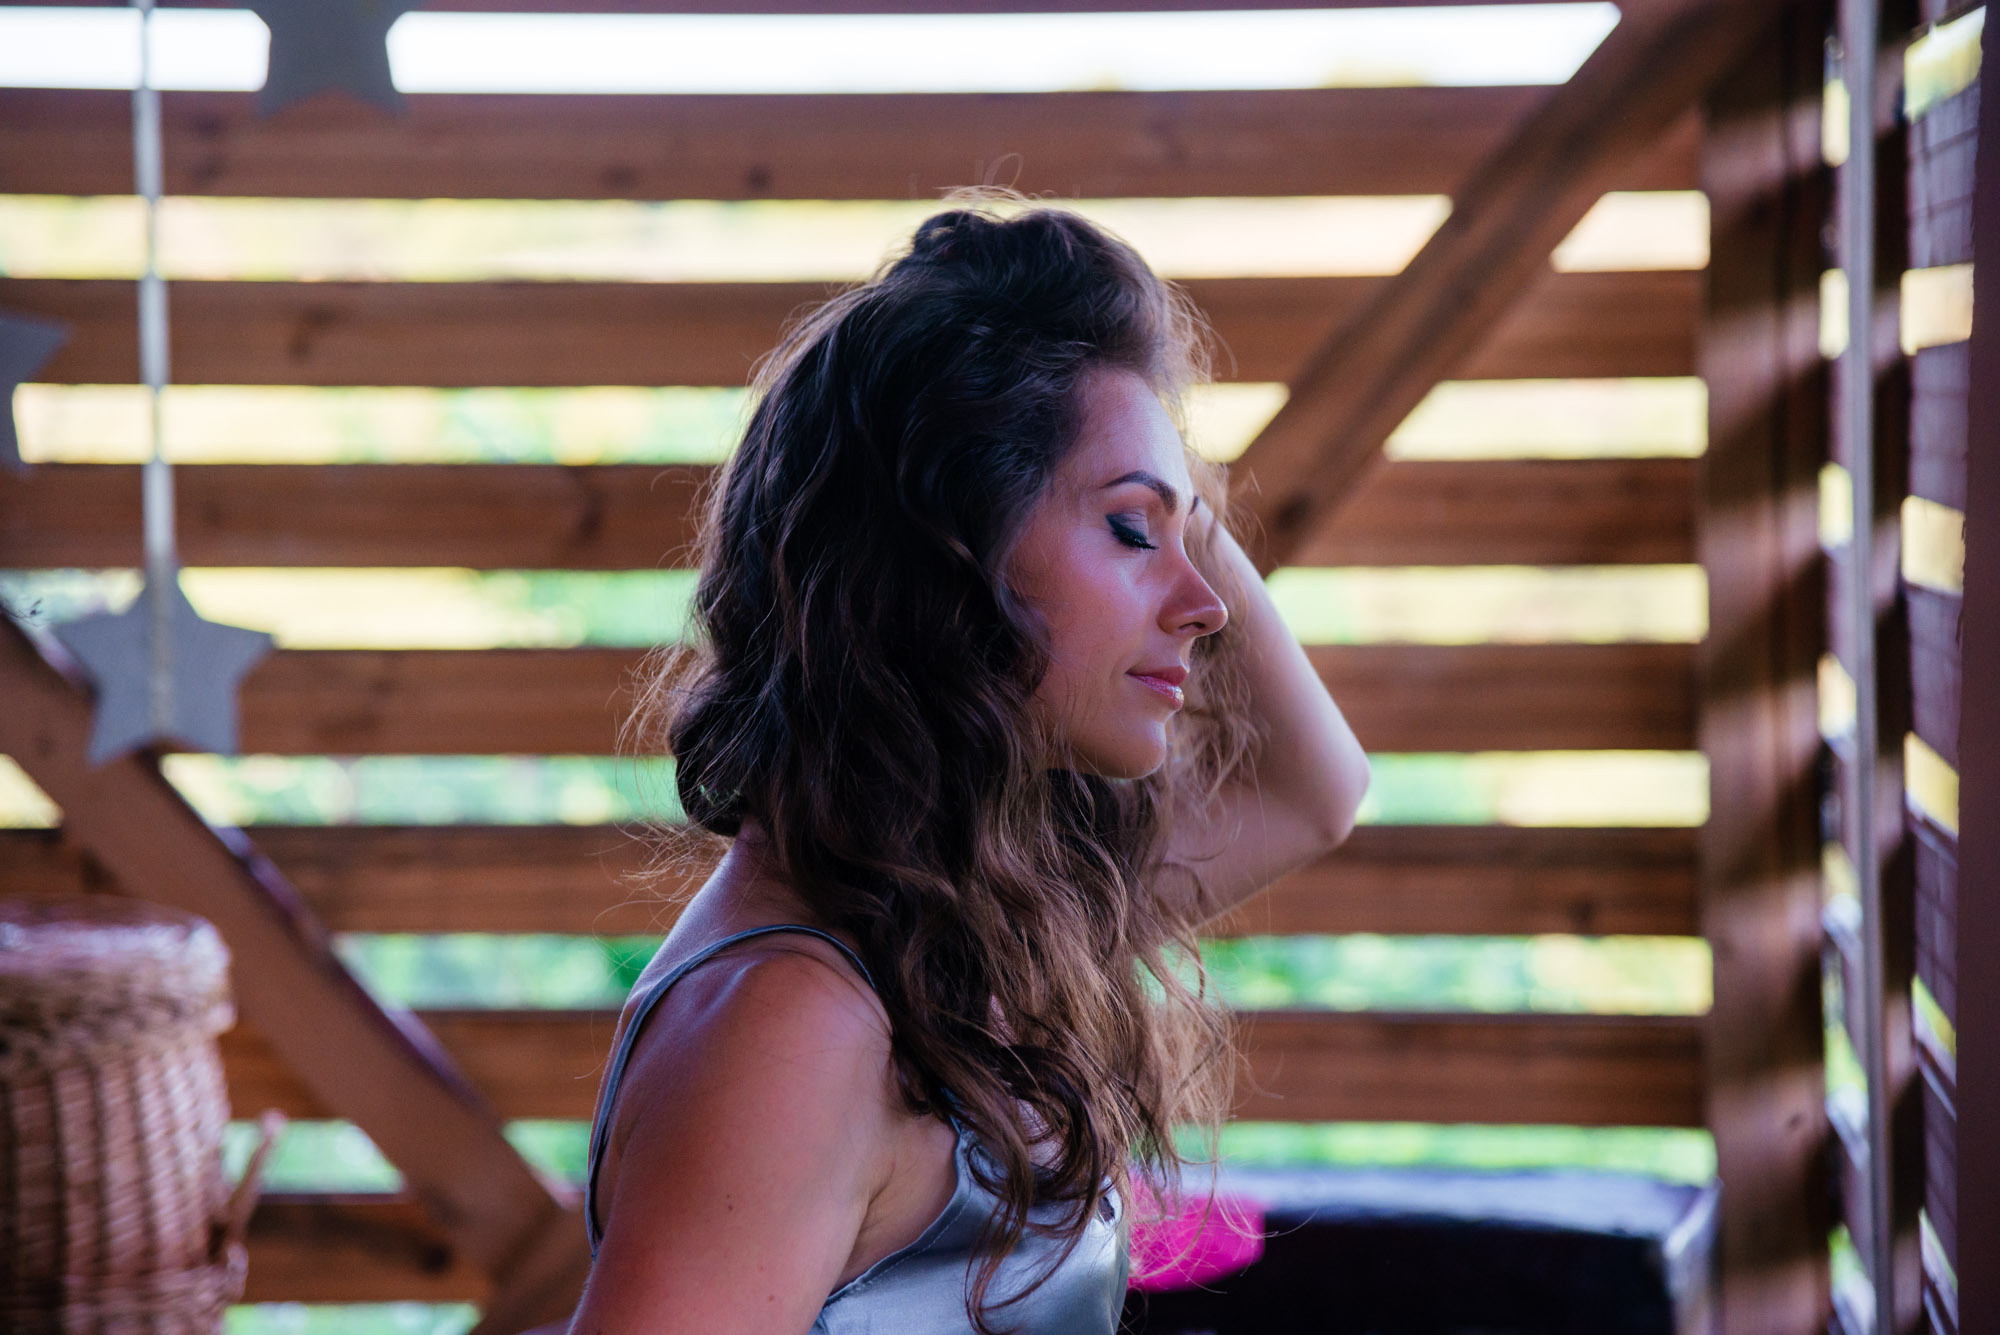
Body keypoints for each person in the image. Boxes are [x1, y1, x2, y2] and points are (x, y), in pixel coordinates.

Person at [568, 197, 1371, 1335]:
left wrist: (1147, 457)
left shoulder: (965, 930)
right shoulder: (793, 1024)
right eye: (1135, 534)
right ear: (946, 547)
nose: (1201, 606)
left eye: (1189, 539)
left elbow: (1312, 788)